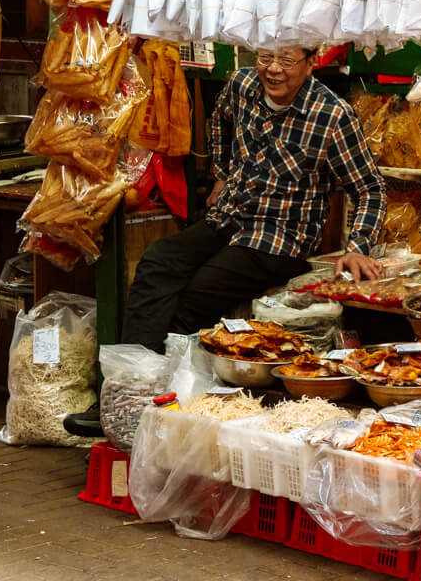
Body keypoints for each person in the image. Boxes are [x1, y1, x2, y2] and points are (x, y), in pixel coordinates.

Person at [122, 47, 387, 353]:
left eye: (286, 60)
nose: (273, 69)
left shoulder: (332, 114)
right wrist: (220, 175)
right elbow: (218, 119)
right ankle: (133, 371)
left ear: (312, 62)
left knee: (198, 291)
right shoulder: (242, 85)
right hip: (229, 216)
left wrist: (358, 248)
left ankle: (169, 378)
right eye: (265, 57)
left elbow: (370, 187)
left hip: (280, 237)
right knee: (158, 260)